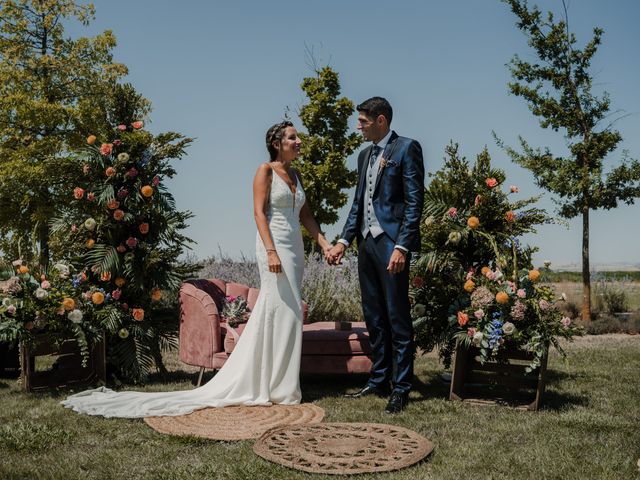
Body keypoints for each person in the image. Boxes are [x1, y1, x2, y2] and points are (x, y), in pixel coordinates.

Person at [61, 121, 332, 418]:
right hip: (273, 244)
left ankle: (280, 383)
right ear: (278, 142)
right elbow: (258, 212)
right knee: (281, 309)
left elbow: (306, 214)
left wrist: (324, 244)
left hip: (295, 247)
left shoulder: (297, 174)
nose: (299, 142)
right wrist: (270, 251)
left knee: (289, 312)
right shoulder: (265, 171)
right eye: (294, 138)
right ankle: (273, 385)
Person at [327, 97, 424, 414]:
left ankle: (402, 387)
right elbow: (358, 204)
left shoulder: (407, 148)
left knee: (397, 317)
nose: (359, 126)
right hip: (366, 245)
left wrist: (402, 246)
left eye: (363, 121)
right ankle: (379, 378)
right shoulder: (363, 156)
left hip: (391, 243)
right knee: (374, 317)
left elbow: (414, 203)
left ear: (381, 120)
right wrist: (343, 240)